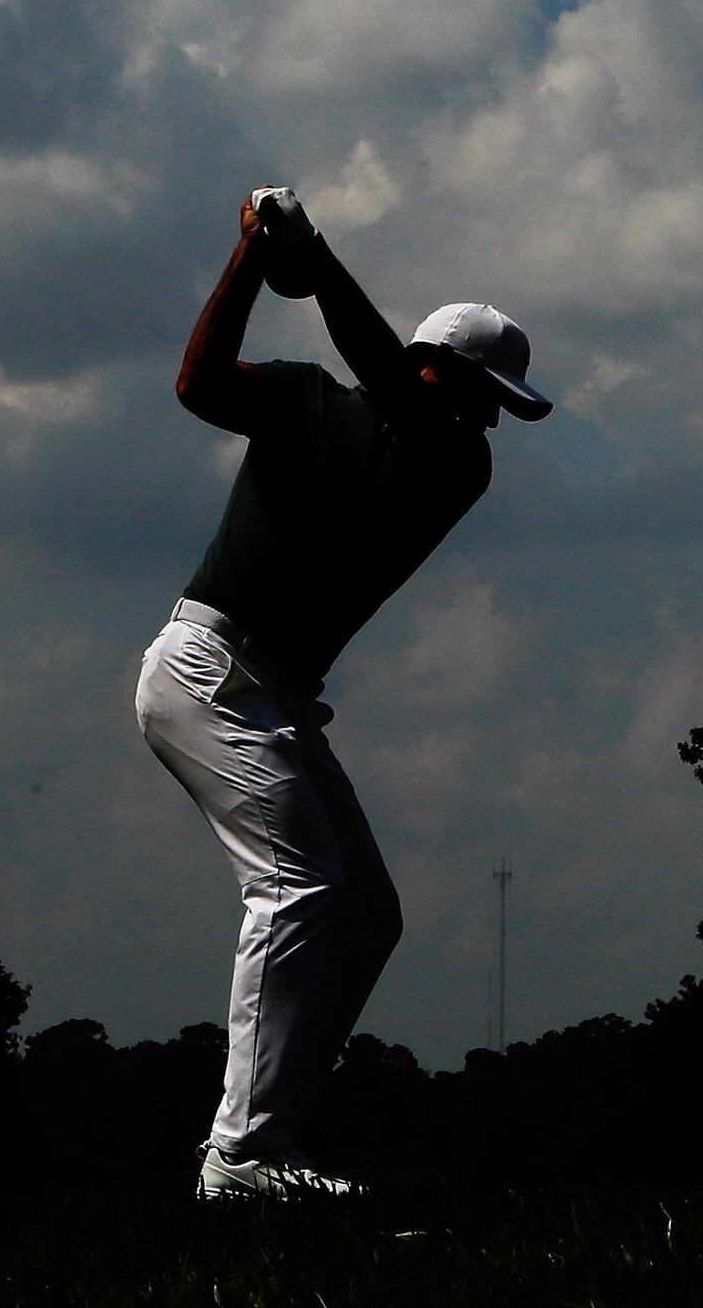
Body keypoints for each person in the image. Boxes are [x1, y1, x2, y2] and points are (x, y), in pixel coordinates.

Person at [137, 188, 552, 1201]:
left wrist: (312, 259)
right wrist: (251, 259)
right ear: (437, 365)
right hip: (207, 671)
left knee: (364, 913)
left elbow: (388, 380)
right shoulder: (303, 398)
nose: (490, 416)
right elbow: (196, 383)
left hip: (273, 693)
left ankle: (263, 1142)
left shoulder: (459, 461)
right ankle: (240, 1158)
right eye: (482, 391)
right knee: (301, 887)